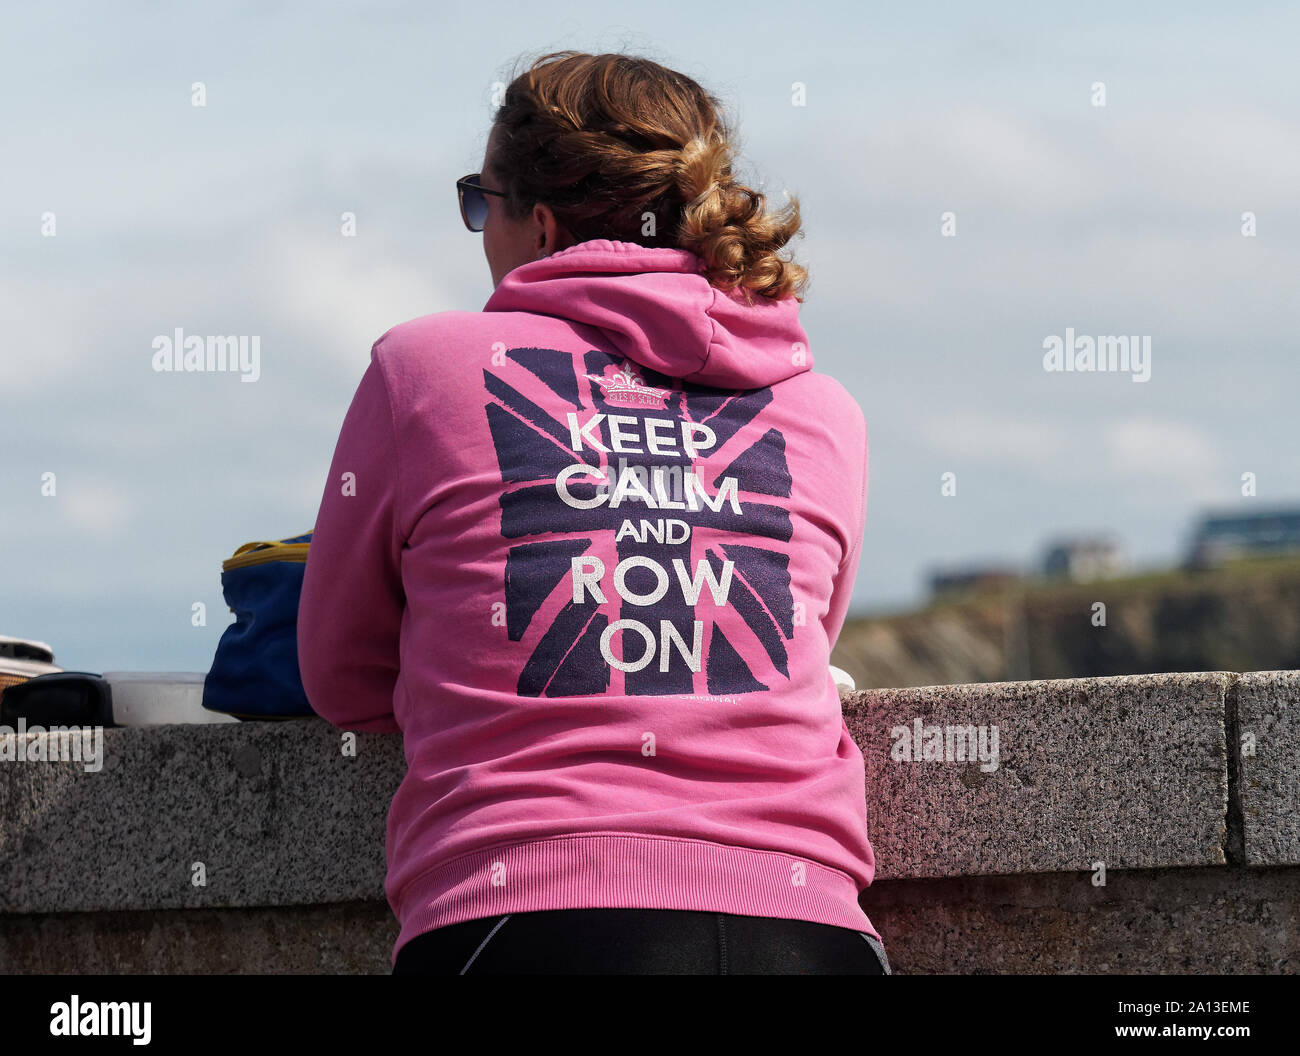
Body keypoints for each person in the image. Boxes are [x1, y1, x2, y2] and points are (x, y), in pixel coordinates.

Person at [297, 49, 888, 976]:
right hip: (810, 929)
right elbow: (780, 638)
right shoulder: (824, 410)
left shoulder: (423, 372)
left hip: (525, 919)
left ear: (538, 223)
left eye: (478, 200)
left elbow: (339, 675)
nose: (477, 228)